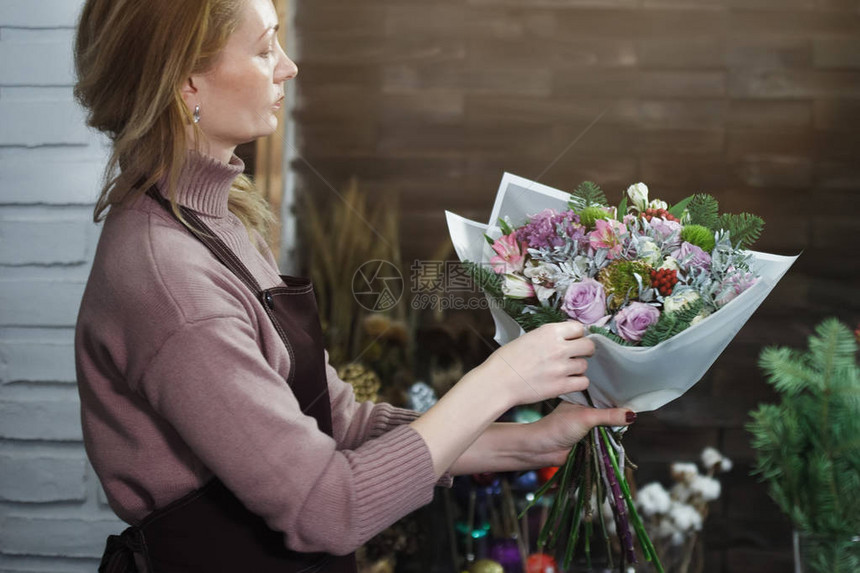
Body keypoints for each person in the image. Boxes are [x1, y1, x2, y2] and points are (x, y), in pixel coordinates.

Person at [72, 0, 636, 571]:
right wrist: (503, 379)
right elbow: (327, 507)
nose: (288, 67)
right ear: (186, 80)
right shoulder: (170, 280)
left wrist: (523, 441)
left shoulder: (216, 219)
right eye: (265, 48)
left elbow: (335, 422)